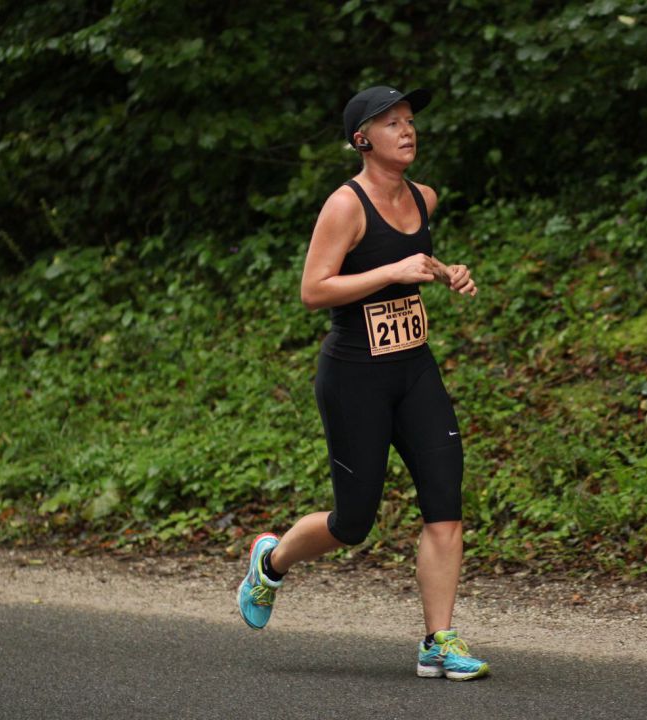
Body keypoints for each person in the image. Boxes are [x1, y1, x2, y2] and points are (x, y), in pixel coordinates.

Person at [237, 85, 489, 681]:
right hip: (355, 377)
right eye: (391, 123)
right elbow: (313, 290)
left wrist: (443, 271)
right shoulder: (344, 206)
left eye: (410, 121)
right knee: (353, 523)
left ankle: (438, 641)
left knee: (445, 508)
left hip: (414, 368)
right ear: (361, 140)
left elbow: (412, 264)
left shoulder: (424, 198)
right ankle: (270, 561)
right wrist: (392, 271)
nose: (407, 130)